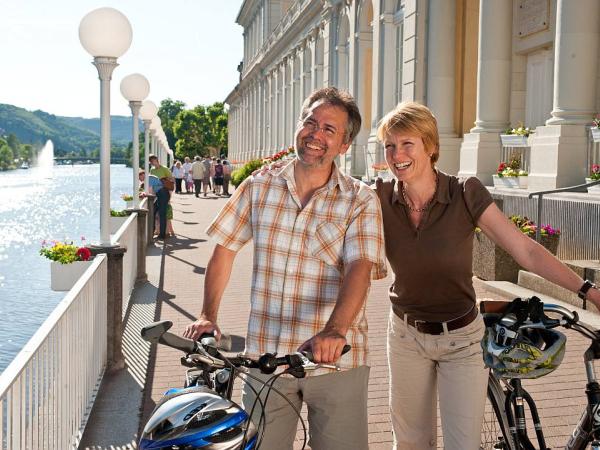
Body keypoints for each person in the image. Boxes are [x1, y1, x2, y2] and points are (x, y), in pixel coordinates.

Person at [375, 101, 600, 450]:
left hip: (462, 339)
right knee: (409, 443)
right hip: (405, 336)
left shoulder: (465, 192)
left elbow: (524, 250)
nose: (396, 154)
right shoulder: (380, 196)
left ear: (431, 147)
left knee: (462, 445)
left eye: (407, 144)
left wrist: (589, 290)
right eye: (389, 145)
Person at [184, 87, 387, 450]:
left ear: (344, 145)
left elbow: (360, 267)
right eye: (310, 122)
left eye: (329, 129)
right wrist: (207, 315)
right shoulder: (259, 186)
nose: (315, 134)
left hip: (336, 360)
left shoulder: (360, 198)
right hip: (266, 360)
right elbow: (224, 251)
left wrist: (335, 330)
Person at [149, 154, 173, 239]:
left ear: (157, 160)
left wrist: (170, 194)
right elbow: (150, 182)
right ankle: (151, 232)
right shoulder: (152, 170)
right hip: (155, 193)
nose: (153, 162)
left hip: (163, 192)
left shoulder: (164, 169)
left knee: (162, 213)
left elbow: (171, 179)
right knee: (153, 212)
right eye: (151, 161)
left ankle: (162, 234)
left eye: (153, 160)